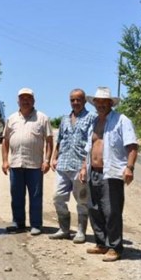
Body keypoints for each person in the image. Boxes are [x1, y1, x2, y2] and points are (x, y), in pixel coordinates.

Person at [79, 87, 138, 262]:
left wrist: (129, 167)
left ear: (110, 103)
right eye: (98, 102)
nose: (101, 105)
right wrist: (84, 167)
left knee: (112, 210)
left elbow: (132, 146)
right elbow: (88, 149)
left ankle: (115, 247)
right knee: (94, 209)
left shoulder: (121, 120)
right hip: (93, 171)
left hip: (111, 172)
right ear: (95, 104)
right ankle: (101, 243)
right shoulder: (94, 122)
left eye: (105, 102)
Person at [1, 88, 53, 236]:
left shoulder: (42, 118)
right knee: (16, 195)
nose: (25, 100)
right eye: (22, 98)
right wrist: (5, 161)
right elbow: (5, 141)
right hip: (16, 163)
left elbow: (49, 141)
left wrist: (47, 160)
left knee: (35, 196)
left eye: (28, 98)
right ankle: (18, 223)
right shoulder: (11, 118)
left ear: (33, 101)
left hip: (35, 165)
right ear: (18, 101)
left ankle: (36, 224)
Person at [49, 88, 95, 242]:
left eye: (78, 99)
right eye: (72, 100)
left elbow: (91, 144)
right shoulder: (65, 119)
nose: (75, 102)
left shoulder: (91, 118)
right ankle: (64, 229)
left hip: (79, 166)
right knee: (57, 197)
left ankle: (81, 231)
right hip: (63, 165)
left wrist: (84, 166)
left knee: (82, 200)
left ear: (84, 101)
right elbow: (60, 139)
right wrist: (54, 157)